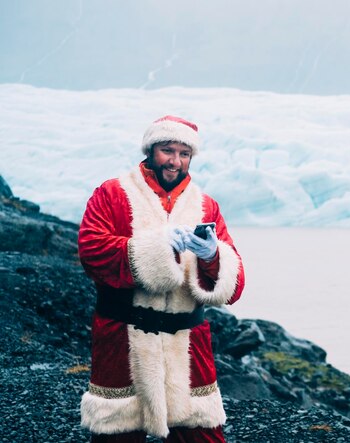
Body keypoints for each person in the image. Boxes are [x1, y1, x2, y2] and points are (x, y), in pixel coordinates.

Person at [78, 115, 245, 443]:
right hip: (121, 337)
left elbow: (234, 285)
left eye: (184, 154)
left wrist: (212, 256)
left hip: (189, 341)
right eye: (168, 150)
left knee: (201, 433)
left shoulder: (206, 206)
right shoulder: (112, 193)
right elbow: (91, 250)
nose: (175, 161)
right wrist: (158, 247)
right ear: (151, 150)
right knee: (118, 432)